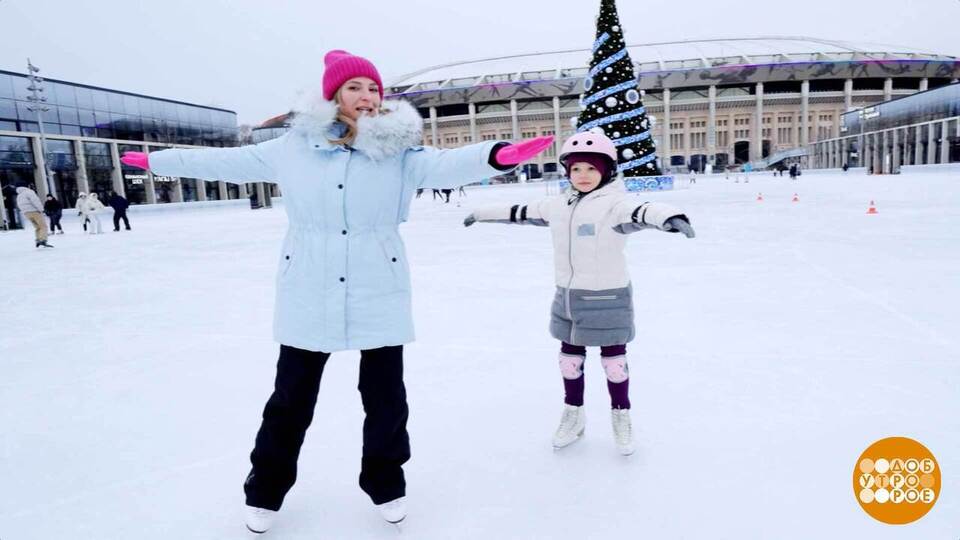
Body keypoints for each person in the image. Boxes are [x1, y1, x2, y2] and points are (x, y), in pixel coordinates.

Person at [119, 49, 553, 534]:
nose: (366, 97)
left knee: (386, 397)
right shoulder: (292, 147)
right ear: (333, 94)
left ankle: (385, 481)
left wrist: (496, 156)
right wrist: (159, 160)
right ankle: (265, 489)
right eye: (355, 88)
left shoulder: (398, 150)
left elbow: (447, 164)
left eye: (373, 88)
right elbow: (227, 162)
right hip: (309, 282)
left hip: (378, 283)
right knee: (291, 398)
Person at [463, 130, 694, 456]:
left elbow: (642, 211)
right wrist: (481, 213)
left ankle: (621, 416)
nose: (582, 176)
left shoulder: (615, 205)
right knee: (569, 361)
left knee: (614, 363)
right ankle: (573, 415)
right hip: (569, 300)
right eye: (575, 169)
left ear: (607, 170)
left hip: (608, 298)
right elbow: (520, 210)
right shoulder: (559, 205)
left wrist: (670, 217)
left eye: (590, 168)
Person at [15, 183, 53, 248]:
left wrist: (25, 212)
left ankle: (38, 239)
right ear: (27, 186)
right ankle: (43, 240)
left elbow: (19, 205)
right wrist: (41, 209)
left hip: (27, 213)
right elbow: (35, 201)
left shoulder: (19, 196)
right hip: (35, 211)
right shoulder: (29, 192)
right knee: (43, 226)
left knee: (37, 227)